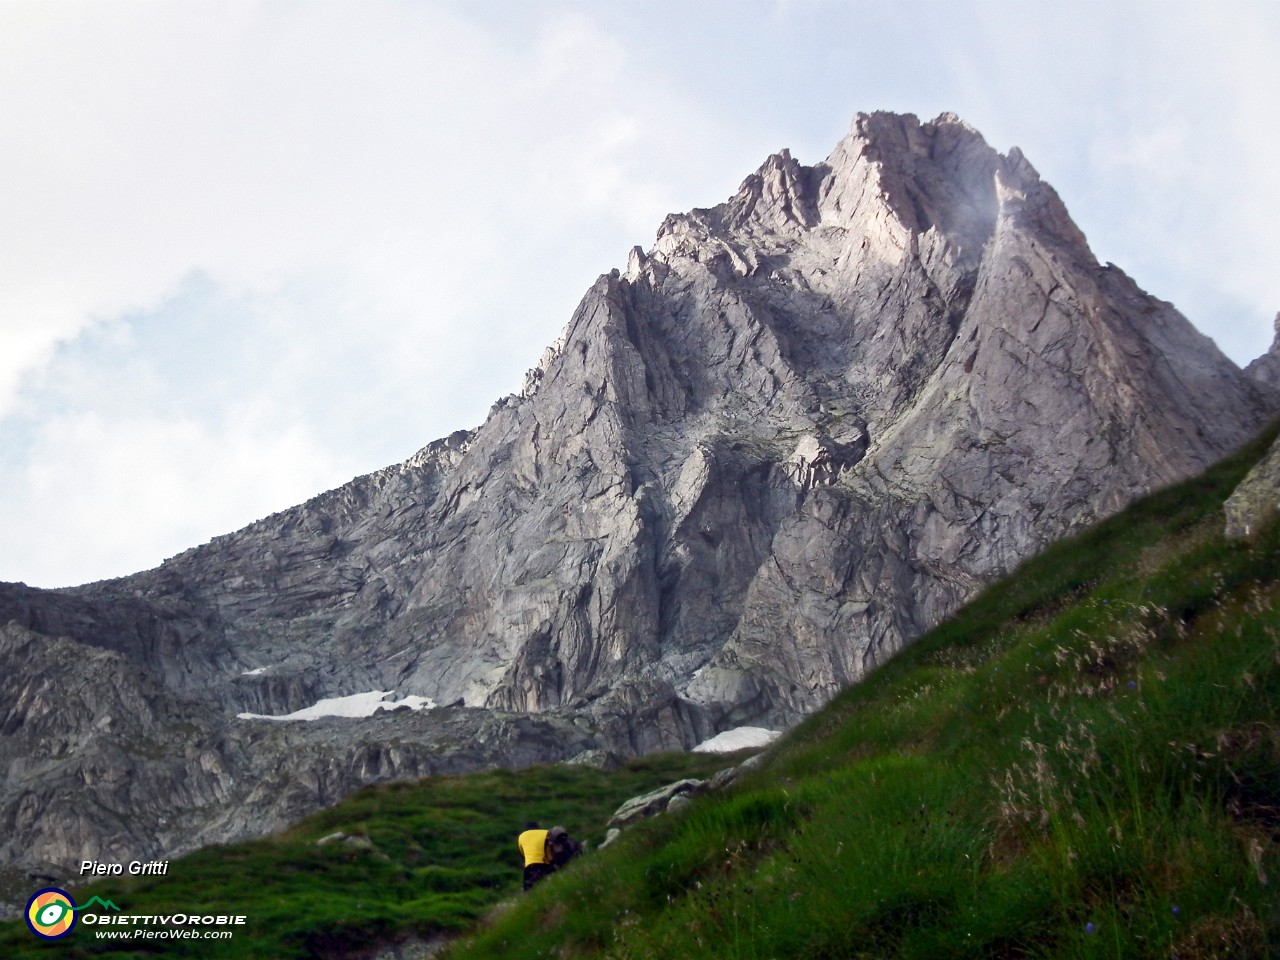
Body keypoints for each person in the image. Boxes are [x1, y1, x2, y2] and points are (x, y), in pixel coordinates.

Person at [517, 822, 553, 891]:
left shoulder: (522, 836)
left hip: (530, 864)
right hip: (546, 862)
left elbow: (522, 853)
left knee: (527, 887)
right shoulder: (546, 833)